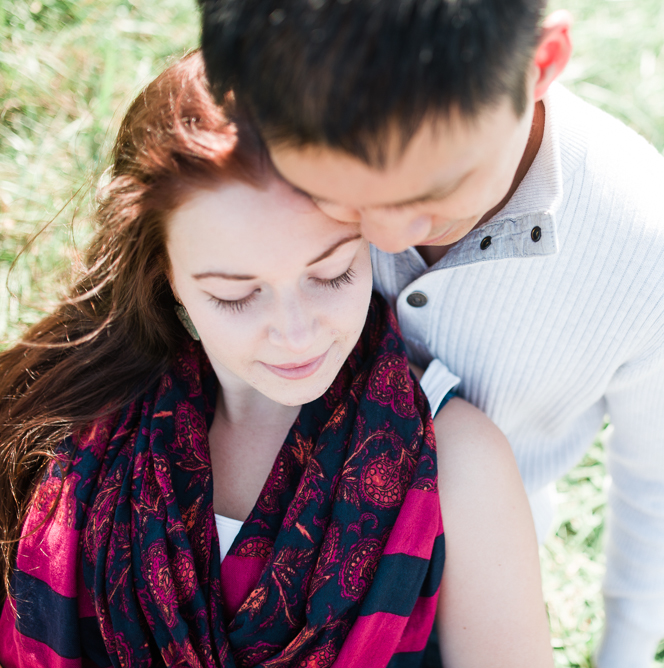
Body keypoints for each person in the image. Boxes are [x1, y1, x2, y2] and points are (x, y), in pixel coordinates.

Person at [197, 2, 664, 666]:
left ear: (542, 63)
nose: (388, 239)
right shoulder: (263, 116)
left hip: (476, 571)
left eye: (437, 191)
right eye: (341, 197)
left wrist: (627, 649)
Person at [0, 53, 552, 668]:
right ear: (168, 275)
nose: (295, 336)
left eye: (333, 273)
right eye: (235, 294)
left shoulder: (457, 465)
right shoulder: (78, 419)